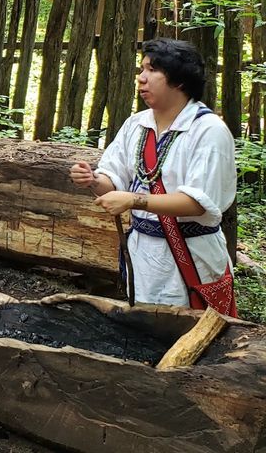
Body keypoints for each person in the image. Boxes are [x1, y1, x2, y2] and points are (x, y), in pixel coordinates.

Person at [70, 38, 237, 314]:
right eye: (141, 70)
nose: (141, 78)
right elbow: (114, 180)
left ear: (179, 80)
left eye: (151, 70)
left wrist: (134, 201)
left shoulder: (208, 131)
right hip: (144, 254)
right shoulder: (137, 124)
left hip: (192, 255)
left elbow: (198, 202)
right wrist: (93, 180)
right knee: (147, 330)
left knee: (197, 335)